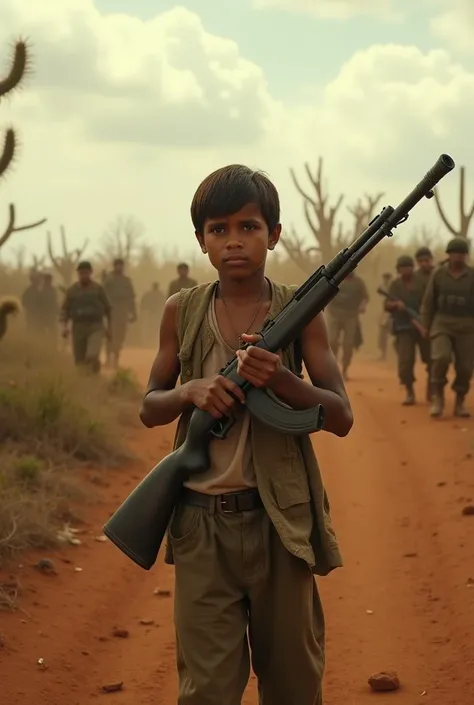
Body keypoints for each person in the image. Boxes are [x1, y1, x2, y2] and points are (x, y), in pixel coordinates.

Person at [139, 164, 353, 705]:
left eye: (249, 227)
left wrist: (282, 379)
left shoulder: (303, 313)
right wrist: (192, 393)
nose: (234, 241)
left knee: (293, 685)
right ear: (201, 240)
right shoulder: (180, 311)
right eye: (219, 229)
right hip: (200, 526)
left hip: (282, 526)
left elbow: (342, 416)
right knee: (206, 690)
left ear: (274, 234)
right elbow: (149, 407)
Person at [421, 236, 474, 418]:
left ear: (466, 256)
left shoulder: (472, 275)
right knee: (441, 358)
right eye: (455, 254)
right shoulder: (439, 274)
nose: (458, 257)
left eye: (462, 254)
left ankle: (460, 401)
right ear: (449, 255)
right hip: (442, 322)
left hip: (467, 325)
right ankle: (438, 397)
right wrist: (426, 326)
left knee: (466, 367)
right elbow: (428, 302)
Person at [384, 255, 430, 405]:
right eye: (403, 267)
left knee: (431, 359)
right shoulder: (395, 285)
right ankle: (410, 391)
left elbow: (429, 301)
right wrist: (396, 305)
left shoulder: (422, 283)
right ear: (398, 269)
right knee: (405, 361)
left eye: (409, 267)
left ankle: (433, 388)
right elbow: (386, 305)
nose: (406, 270)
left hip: (422, 325)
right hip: (403, 327)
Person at [60, 261, 111, 373]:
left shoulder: (98, 289)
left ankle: (94, 370)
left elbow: (108, 308)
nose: (84, 275)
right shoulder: (72, 291)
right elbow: (65, 310)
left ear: (91, 273)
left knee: (92, 354)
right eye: (82, 273)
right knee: (79, 360)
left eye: (86, 273)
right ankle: (86, 382)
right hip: (78, 326)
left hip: (96, 326)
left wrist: (108, 327)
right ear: (78, 274)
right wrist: (64, 327)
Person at [326, 271, 369, 379]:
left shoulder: (358, 282)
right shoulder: (335, 278)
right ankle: (332, 368)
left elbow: (365, 296)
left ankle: (344, 370)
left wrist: (362, 305)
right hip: (334, 314)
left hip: (351, 315)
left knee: (348, 344)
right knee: (332, 341)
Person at [103, 258, 137, 369]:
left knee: (120, 337)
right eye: (117, 265)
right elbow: (102, 296)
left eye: (121, 265)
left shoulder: (127, 281)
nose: (119, 267)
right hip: (110, 313)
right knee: (110, 336)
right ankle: (108, 359)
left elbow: (131, 298)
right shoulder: (108, 280)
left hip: (122, 312)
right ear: (114, 266)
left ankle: (116, 359)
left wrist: (133, 313)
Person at [139, 282, 165, 347]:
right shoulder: (159, 295)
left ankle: (152, 343)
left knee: (153, 328)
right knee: (152, 328)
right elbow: (143, 304)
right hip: (151, 314)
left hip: (154, 314)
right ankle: (150, 343)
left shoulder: (157, 295)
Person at [38, 272, 59, 343]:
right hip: (43, 314)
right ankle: (45, 345)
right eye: (47, 279)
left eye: (49, 279)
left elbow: (55, 301)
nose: (48, 281)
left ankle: (51, 346)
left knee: (52, 331)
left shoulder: (51, 290)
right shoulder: (41, 290)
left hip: (50, 313)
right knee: (43, 331)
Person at [21, 269, 43, 335]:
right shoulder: (29, 291)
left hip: (39, 316)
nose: (39, 282)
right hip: (32, 315)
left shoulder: (39, 291)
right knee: (32, 330)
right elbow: (24, 302)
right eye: (37, 280)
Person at [378, 272, 393, 360]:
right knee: (383, 335)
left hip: (393, 314)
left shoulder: (394, 287)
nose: (386, 280)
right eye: (385, 278)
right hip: (384, 314)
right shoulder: (382, 287)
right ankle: (383, 354)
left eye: (387, 278)